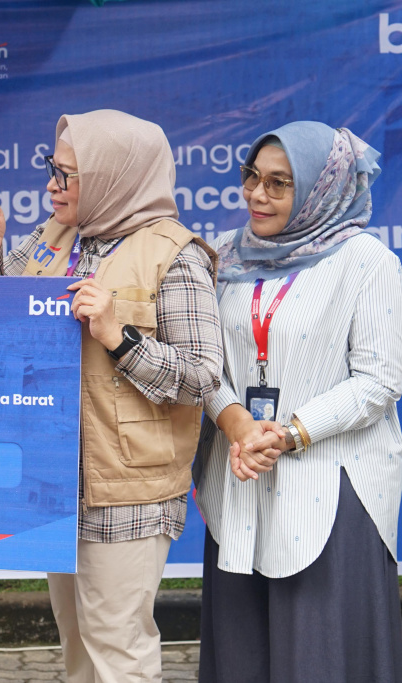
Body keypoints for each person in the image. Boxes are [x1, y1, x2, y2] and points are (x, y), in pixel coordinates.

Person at [0, 109, 223, 682]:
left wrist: (119, 337)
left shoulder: (174, 254)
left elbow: (202, 376)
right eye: (52, 168)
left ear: (114, 177)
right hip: (56, 480)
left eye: (68, 174)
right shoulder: (54, 236)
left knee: (116, 645)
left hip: (126, 488)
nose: (52, 185)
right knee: (77, 642)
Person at [195, 122, 402, 682]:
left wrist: (289, 433)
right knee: (240, 656)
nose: (256, 194)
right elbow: (204, 361)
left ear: (319, 189)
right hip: (240, 475)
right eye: (252, 177)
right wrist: (238, 426)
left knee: (320, 658)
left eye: (279, 183)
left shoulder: (366, 262)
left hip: (330, 486)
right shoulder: (223, 257)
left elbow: (380, 380)